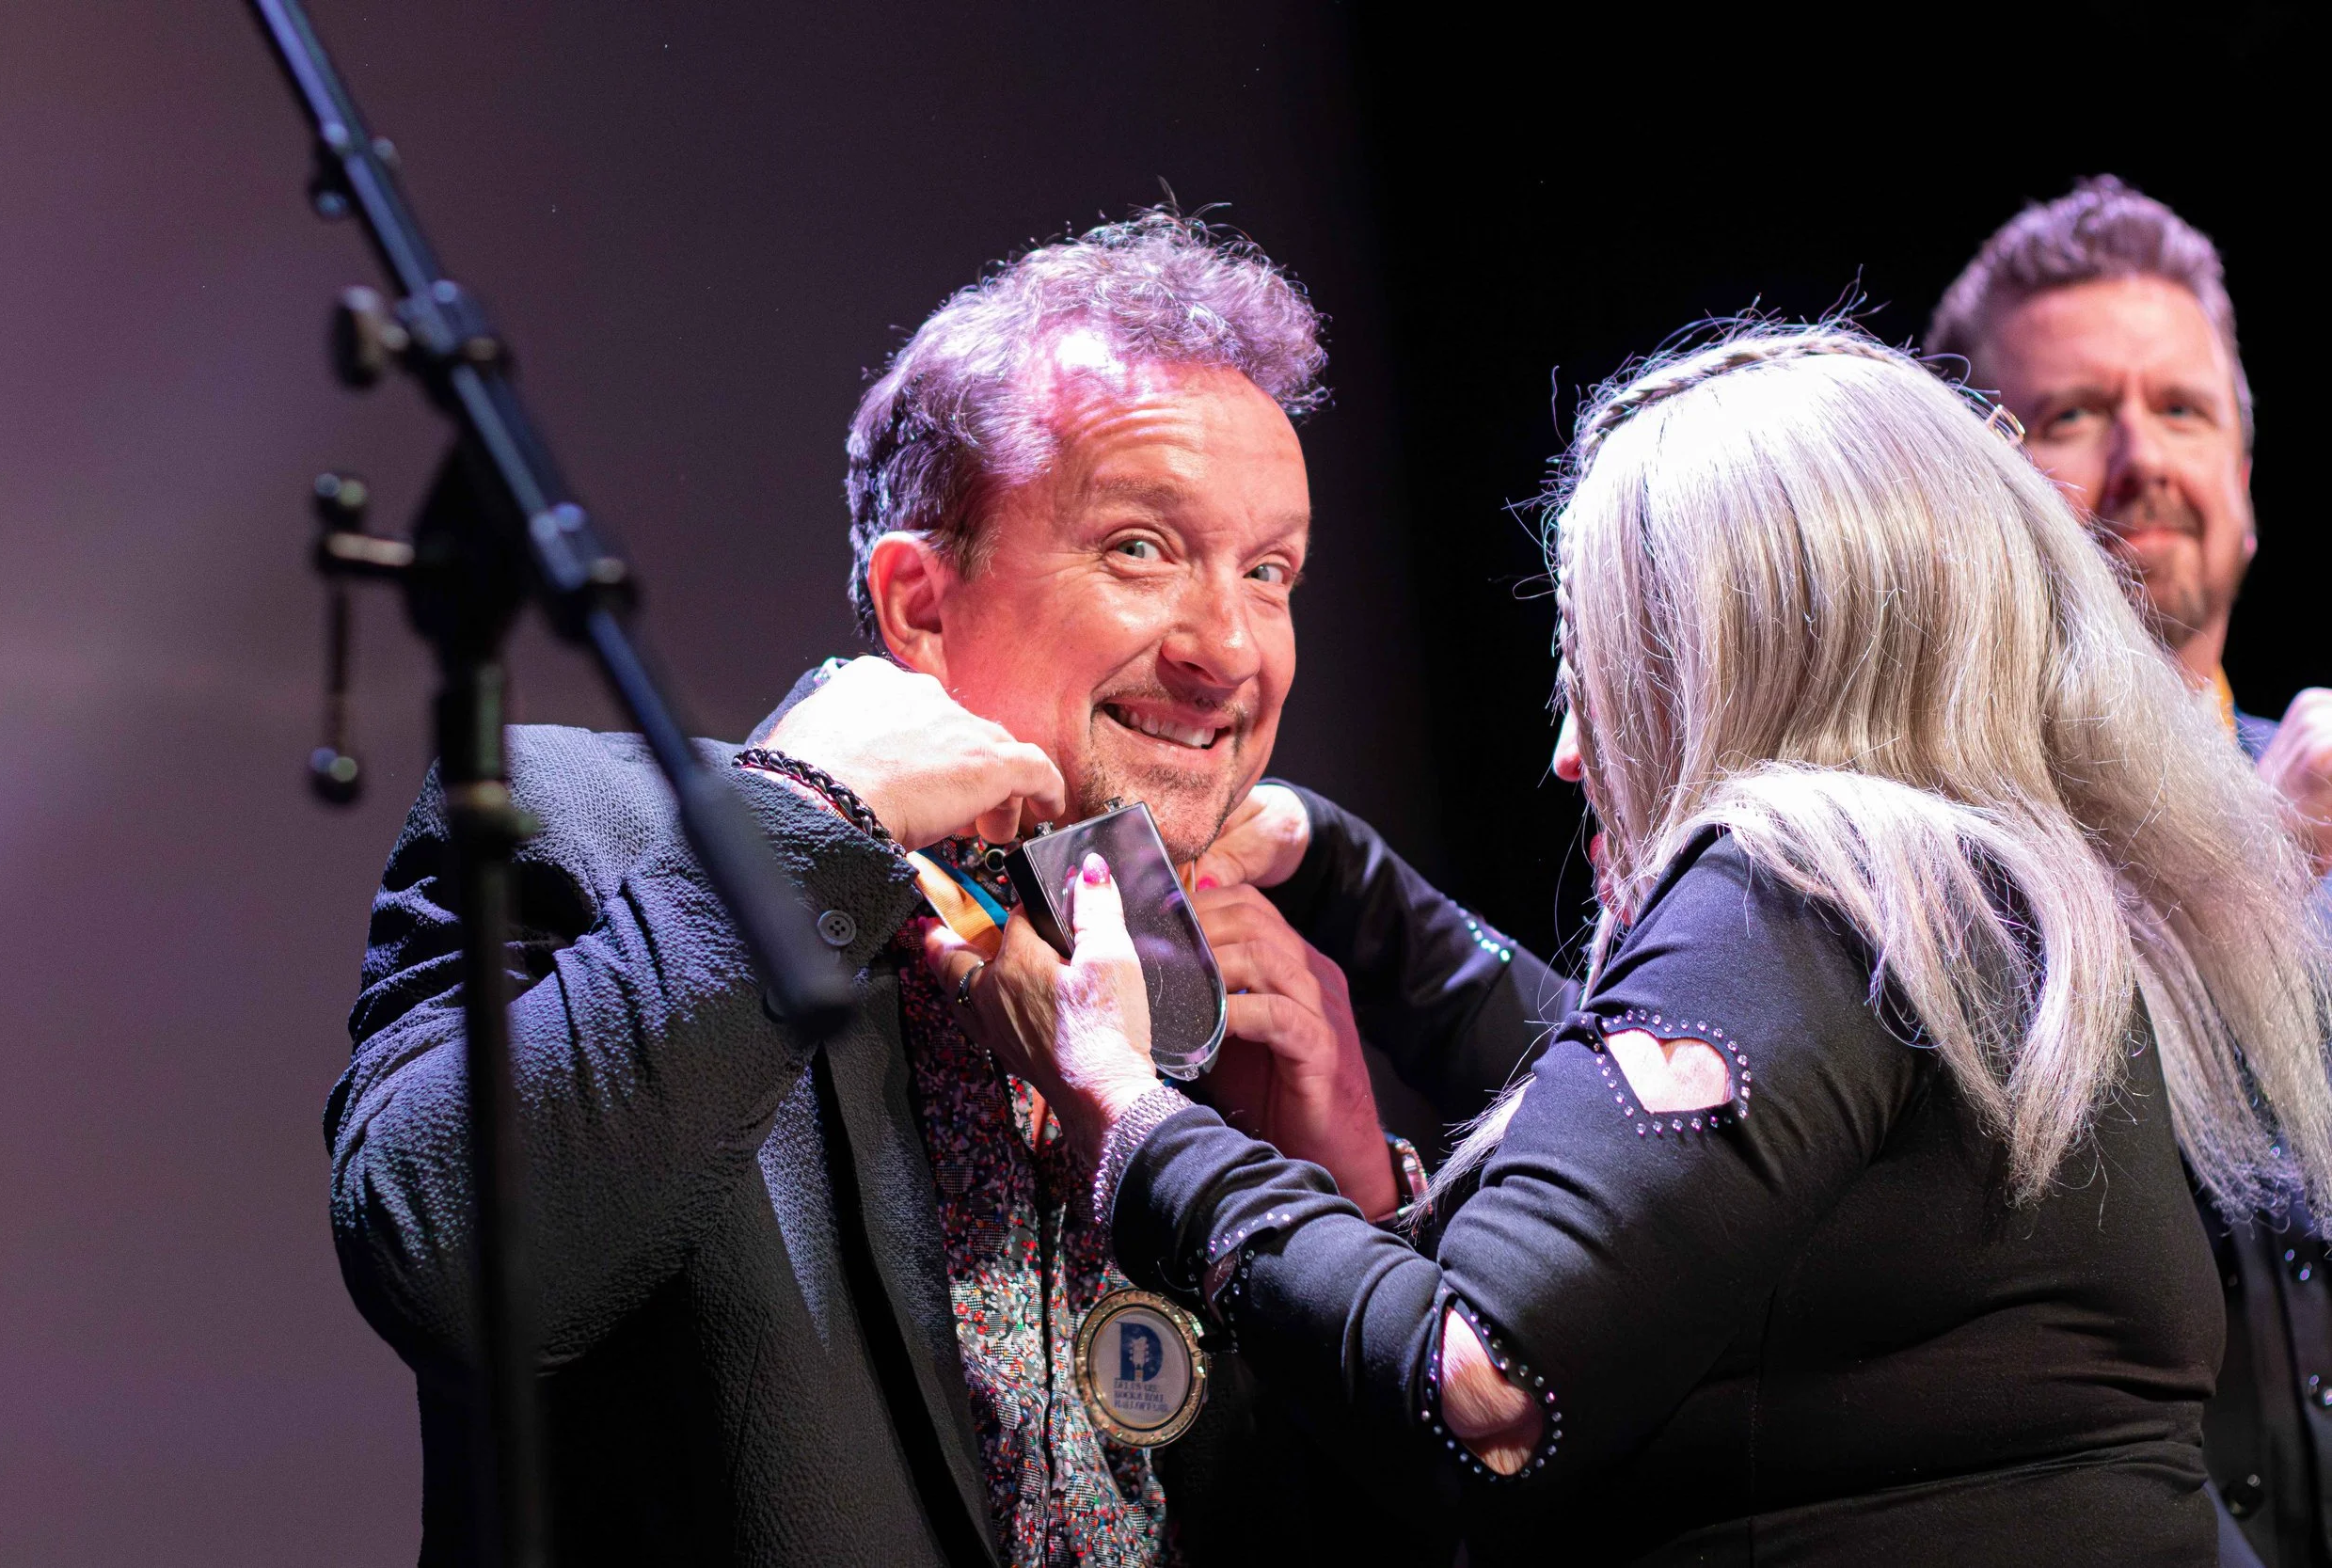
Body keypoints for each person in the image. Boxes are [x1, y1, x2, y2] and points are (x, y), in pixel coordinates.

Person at [960, 325, 2332, 1564]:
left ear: (1743, 653)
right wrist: (1345, 876)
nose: (1566, 752)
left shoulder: (1808, 883)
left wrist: (1131, 1115)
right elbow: (1682, 1161)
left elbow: (1484, 1385)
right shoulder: (1987, 906)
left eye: (1598, 668)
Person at [326, 210, 1400, 1566]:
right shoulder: (587, 829)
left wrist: (1347, 1205)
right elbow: (439, 1253)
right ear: (919, 604)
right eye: (1141, 547)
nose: (1231, 649)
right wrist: (797, 827)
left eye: (1270, 572)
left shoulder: (1195, 1000)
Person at [1927, 177, 2332, 1564]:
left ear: (2249, 492)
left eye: (2184, 409)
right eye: (2072, 415)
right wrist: (2254, 869)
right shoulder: (1921, 872)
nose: (2141, 456)